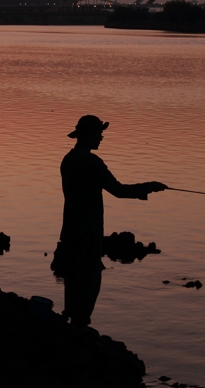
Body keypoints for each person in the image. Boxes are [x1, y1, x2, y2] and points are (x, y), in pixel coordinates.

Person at [56, 115, 166, 328]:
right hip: (88, 231)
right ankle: (80, 328)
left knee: (73, 279)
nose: (102, 138)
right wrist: (148, 187)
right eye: (99, 133)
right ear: (88, 135)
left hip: (70, 230)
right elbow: (118, 190)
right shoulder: (91, 162)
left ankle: (71, 325)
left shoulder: (68, 159)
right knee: (89, 282)